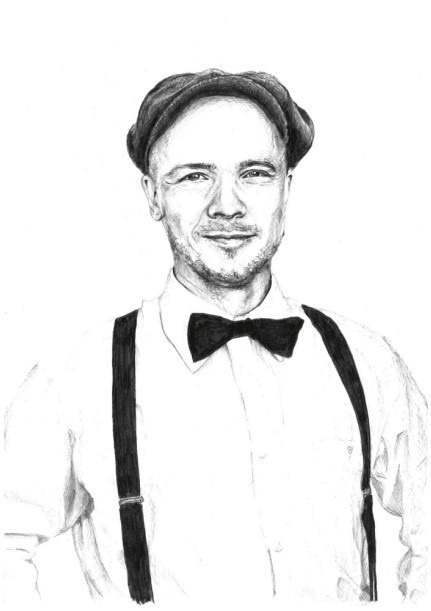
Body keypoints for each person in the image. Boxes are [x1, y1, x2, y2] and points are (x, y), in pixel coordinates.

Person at [3, 69, 428, 605]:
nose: (227, 205)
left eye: (255, 173)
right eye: (193, 176)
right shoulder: (73, 379)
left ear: (287, 188)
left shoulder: (367, 361)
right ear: (152, 195)